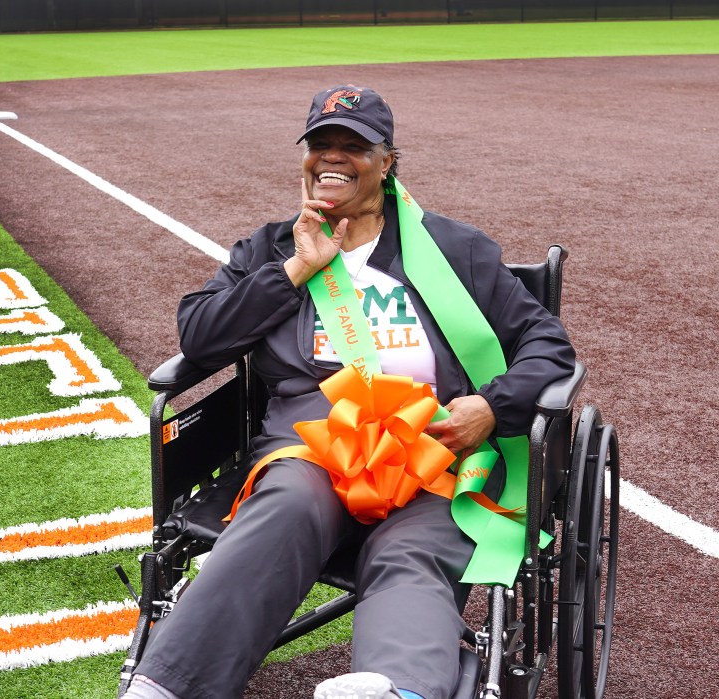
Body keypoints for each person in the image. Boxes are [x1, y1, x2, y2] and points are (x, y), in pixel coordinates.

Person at [121, 85, 575, 699]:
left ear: (387, 162)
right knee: (285, 508)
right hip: (312, 450)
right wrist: (293, 274)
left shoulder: (454, 249)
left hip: (433, 454)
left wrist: (491, 408)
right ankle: (169, 687)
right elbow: (199, 339)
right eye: (321, 145)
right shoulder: (270, 248)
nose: (333, 158)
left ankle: (398, 688)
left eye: (354, 147)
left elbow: (546, 344)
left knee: (412, 550)